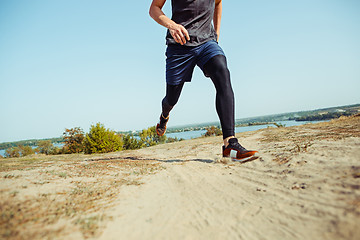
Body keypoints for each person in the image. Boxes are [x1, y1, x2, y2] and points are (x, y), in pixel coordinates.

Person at [149, 0, 258, 160]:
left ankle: (230, 144)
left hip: (207, 42)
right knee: (171, 98)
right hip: (179, 45)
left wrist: (217, 33)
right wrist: (172, 25)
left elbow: (218, 3)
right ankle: (164, 115)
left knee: (222, 72)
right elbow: (154, 8)